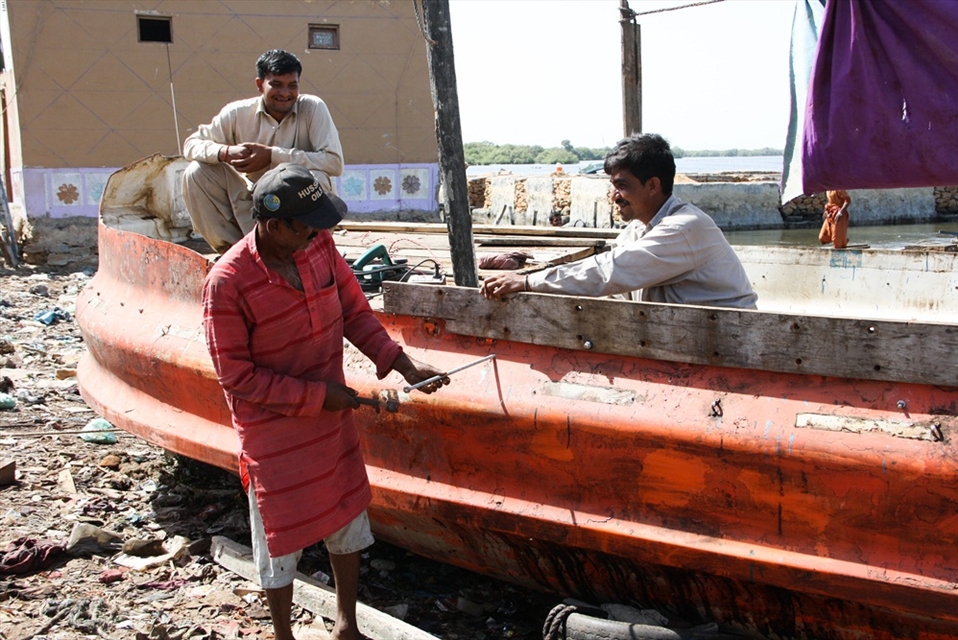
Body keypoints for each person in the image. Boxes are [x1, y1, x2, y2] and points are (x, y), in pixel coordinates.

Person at [202, 163, 447, 640]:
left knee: (346, 516)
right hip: (273, 434)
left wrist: (403, 365)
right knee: (278, 539)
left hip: (331, 420)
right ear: (275, 227)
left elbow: (355, 312)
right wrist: (316, 397)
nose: (319, 235)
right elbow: (236, 376)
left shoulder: (319, 248)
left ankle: (346, 624)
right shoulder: (227, 282)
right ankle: (283, 634)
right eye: (309, 226)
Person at [480, 133, 758, 309]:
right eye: (613, 185)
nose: (614, 195)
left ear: (652, 185)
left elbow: (609, 271)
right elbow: (603, 272)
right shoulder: (638, 229)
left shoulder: (685, 227)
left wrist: (528, 282)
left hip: (727, 341)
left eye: (622, 185)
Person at [183, 49, 344, 254]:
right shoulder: (237, 113)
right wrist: (225, 152)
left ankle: (307, 251)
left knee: (317, 178)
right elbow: (191, 144)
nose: (285, 93)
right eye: (276, 85)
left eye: (292, 86)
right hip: (253, 200)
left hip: (296, 200)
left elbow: (334, 163)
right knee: (196, 172)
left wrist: (271, 155)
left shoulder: (313, 108)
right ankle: (237, 254)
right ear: (259, 85)